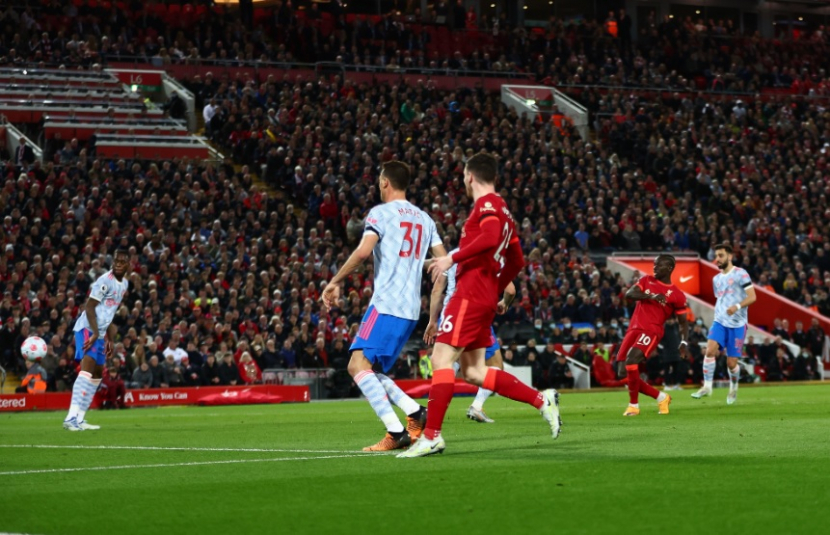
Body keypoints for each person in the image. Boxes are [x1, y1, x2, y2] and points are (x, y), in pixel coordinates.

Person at [399, 152, 560, 458]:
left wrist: (451, 258)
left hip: (470, 294)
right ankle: (542, 400)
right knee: (474, 371)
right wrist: (495, 291)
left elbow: (488, 237)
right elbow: (517, 261)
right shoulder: (506, 213)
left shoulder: (486, 205)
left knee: (441, 360)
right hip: (483, 296)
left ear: (470, 176)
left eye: (463, 176)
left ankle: (431, 436)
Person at [322, 161, 446, 452]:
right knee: (371, 369)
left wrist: (335, 281)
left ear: (385, 183)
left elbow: (364, 252)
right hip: (411, 310)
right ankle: (415, 413)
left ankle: (396, 431)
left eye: (380, 180)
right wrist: (433, 317)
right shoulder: (425, 219)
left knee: (356, 365)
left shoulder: (379, 214)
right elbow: (444, 265)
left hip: (386, 304)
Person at [426, 258, 516, 424]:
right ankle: (477, 406)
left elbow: (437, 289)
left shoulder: (454, 255)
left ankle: (432, 408)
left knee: (447, 362)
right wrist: (504, 303)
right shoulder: (491, 255)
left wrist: (432, 320)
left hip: (450, 314)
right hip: (474, 314)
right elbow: (510, 290)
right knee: (495, 365)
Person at [63, 249, 130, 431]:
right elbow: (90, 307)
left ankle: (81, 418)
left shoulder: (124, 285)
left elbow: (109, 312)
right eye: (116, 260)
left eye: (122, 261)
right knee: (88, 368)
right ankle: (70, 417)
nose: (118, 263)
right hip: (86, 328)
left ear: (128, 265)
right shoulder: (104, 281)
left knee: (98, 373)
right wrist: (94, 333)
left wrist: (106, 336)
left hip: (100, 334)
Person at [616, 255, 689, 417]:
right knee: (622, 373)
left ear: (669, 268)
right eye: (654, 265)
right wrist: (650, 296)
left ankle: (633, 406)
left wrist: (684, 341)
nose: (654, 268)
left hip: (651, 330)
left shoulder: (677, 294)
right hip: (633, 329)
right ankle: (661, 397)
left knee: (631, 361)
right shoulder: (646, 280)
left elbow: (683, 322)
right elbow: (629, 294)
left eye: (658, 266)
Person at [692, 244, 757, 404]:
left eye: (721, 255)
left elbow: (752, 297)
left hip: (737, 324)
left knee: (731, 363)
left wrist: (737, 306)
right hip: (720, 321)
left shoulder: (741, 274)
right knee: (709, 351)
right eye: (716, 256)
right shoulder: (716, 279)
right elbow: (721, 298)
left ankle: (733, 387)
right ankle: (707, 387)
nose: (717, 259)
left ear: (730, 257)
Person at [660, 317, 685, 391]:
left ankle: (676, 384)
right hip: (667, 352)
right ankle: (666, 385)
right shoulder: (663, 329)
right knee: (667, 370)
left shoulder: (676, 328)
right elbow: (661, 340)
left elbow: (680, 338)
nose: (670, 321)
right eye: (669, 320)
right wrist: (666, 346)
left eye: (671, 319)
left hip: (676, 352)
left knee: (676, 369)